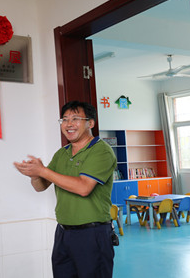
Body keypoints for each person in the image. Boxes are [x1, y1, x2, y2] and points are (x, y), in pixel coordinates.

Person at [13, 101, 117, 278]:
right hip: (63, 233)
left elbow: (84, 187)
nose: (68, 124)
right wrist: (34, 175)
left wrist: (43, 170)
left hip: (92, 234)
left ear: (90, 123)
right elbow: (41, 187)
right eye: (65, 119)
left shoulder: (101, 151)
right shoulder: (62, 153)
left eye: (75, 119)